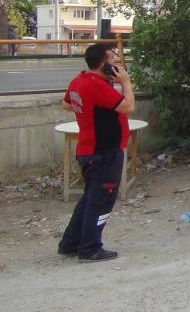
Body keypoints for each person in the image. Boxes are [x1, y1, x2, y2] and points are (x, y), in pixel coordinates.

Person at [57, 43, 135, 262]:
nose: (116, 64)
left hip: (88, 149)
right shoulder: (97, 87)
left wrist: (88, 111)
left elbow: (66, 104)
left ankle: (70, 243)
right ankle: (90, 247)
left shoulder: (79, 81)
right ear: (103, 64)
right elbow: (128, 107)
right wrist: (126, 83)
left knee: (90, 198)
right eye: (112, 60)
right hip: (103, 152)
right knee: (101, 200)